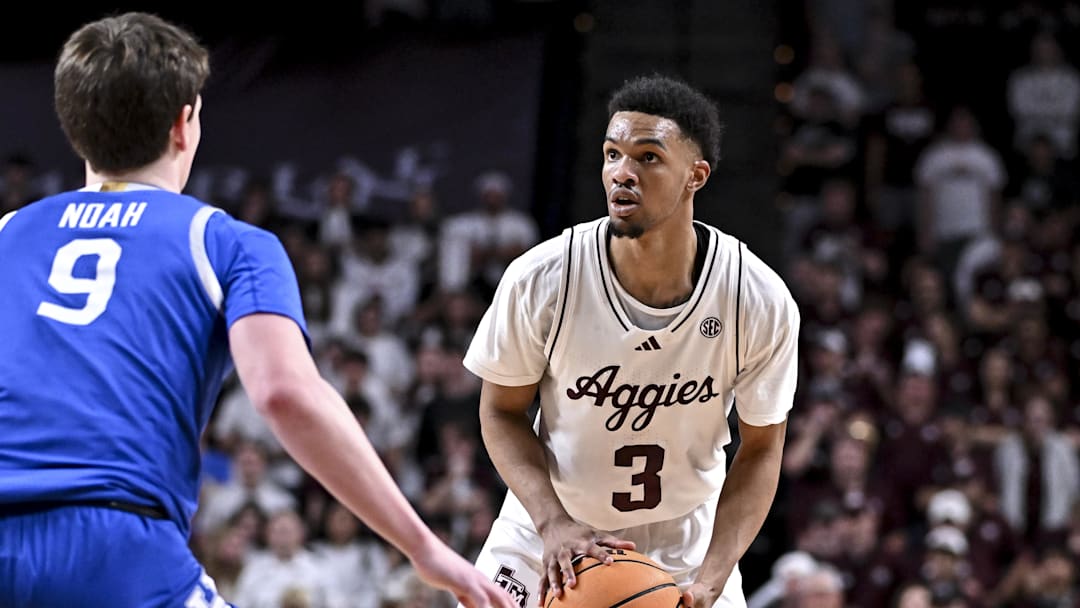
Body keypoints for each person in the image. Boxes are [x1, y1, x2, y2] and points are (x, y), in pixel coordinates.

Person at [0, 12, 515, 608]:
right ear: (184, 124)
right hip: (115, 547)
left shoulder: (9, 234)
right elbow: (284, 395)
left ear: (74, 127)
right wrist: (422, 546)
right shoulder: (226, 242)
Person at [462, 74, 800, 608]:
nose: (623, 172)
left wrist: (713, 576)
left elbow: (762, 449)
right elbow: (499, 413)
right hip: (546, 531)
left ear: (696, 175)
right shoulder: (544, 277)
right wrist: (553, 522)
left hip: (684, 547)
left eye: (647, 158)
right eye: (612, 154)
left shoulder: (755, 298)